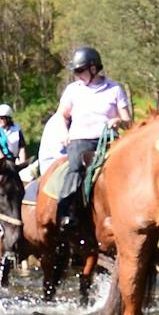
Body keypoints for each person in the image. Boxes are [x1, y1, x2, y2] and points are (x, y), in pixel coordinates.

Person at [52, 47, 133, 229]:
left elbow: (128, 121)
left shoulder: (114, 89)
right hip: (81, 140)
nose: (77, 75)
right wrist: (64, 133)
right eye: (75, 71)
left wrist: (118, 121)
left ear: (94, 69)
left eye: (80, 71)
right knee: (76, 169)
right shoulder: (73, 90)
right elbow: (61, 115)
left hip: (109, 140)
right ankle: (66, 212)